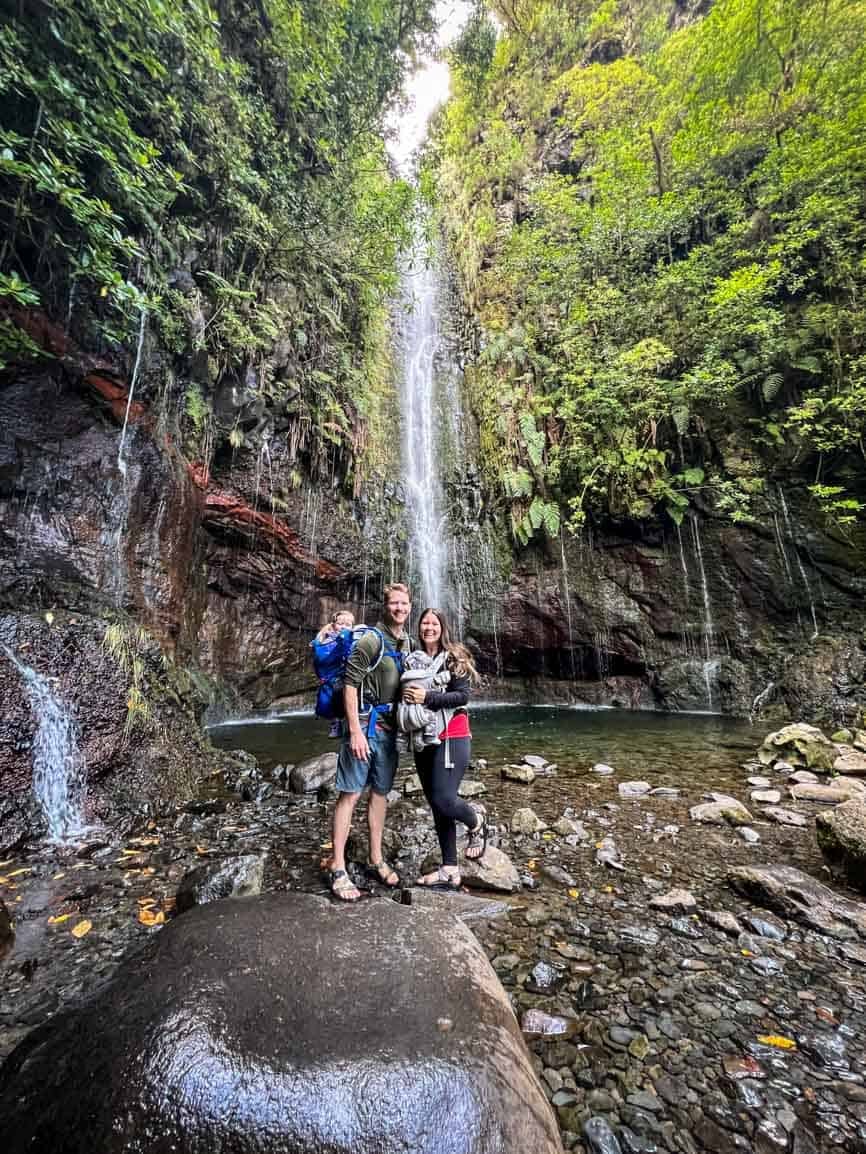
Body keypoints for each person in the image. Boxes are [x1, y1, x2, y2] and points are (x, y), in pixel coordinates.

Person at [328, 583, 413, 902]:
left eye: (404, 603)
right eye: (394, 603)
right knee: (350, 793)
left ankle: (376, 858)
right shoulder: (370, 639)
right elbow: (350, 684)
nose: (400, 609)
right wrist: (355, 732)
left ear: (410, 606)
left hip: (390, 731)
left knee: (380, 794)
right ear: (385, 605)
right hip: (364, 725)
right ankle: (338, 866)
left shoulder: (405, 641)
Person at [408, 607, 487, 892]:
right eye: (425, 622)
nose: (429, 627)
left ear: (443, 627)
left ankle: (476, 820)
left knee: (444, 798)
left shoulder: (454, 657)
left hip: (452, 734)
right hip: (423, 736)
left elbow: (463, 695)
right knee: (437, 806)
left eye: (434, 623)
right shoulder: (412, 660)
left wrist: (426, 696)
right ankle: (449, 869)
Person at [396, 648, 451, 751]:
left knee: (403, 728)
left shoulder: (404, 678)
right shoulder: (426, 677)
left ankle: (401, 742)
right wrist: (446, 676)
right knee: (431, 717)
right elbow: (437, 681)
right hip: (422, 711)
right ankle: (430, 737)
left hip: (404, 712)